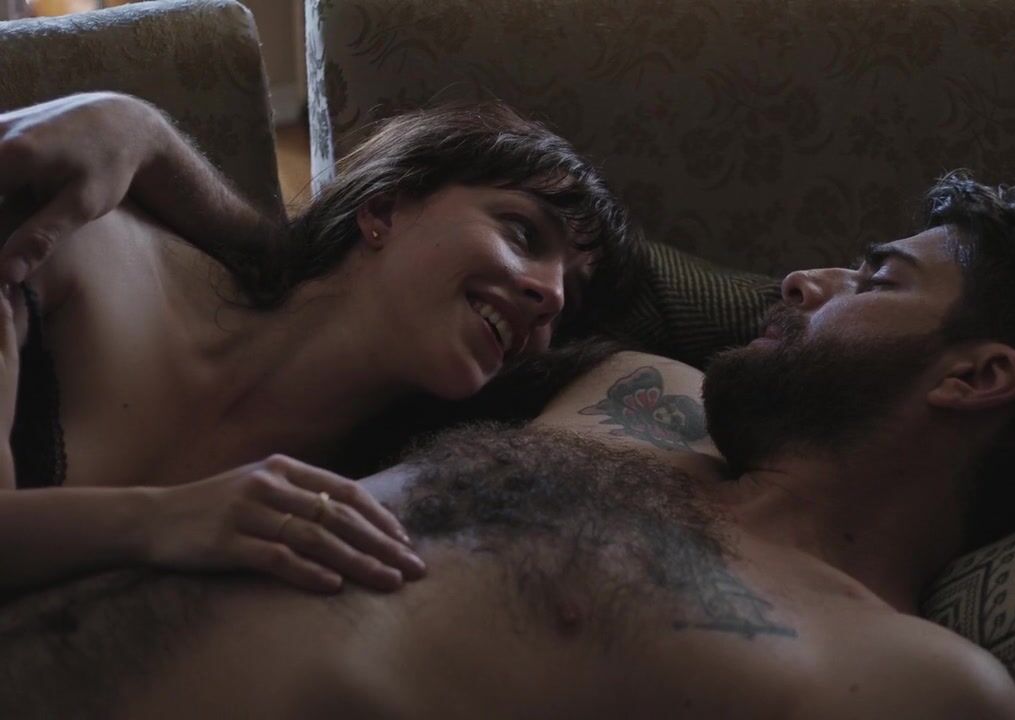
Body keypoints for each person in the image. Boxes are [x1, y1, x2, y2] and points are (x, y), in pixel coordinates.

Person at [1, 174, 1015, 718]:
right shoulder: (650, 389)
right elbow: (385, 250)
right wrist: (137, 135)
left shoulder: (910, 679)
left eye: (874, 277)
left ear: (975, 377)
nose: (800, 279)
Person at [0, 93, 636, 594]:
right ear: (382, 211)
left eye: (571, 303)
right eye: (523, 233)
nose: (552, 297)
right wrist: (161, 521)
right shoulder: (76, 245)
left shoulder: (385, 503)